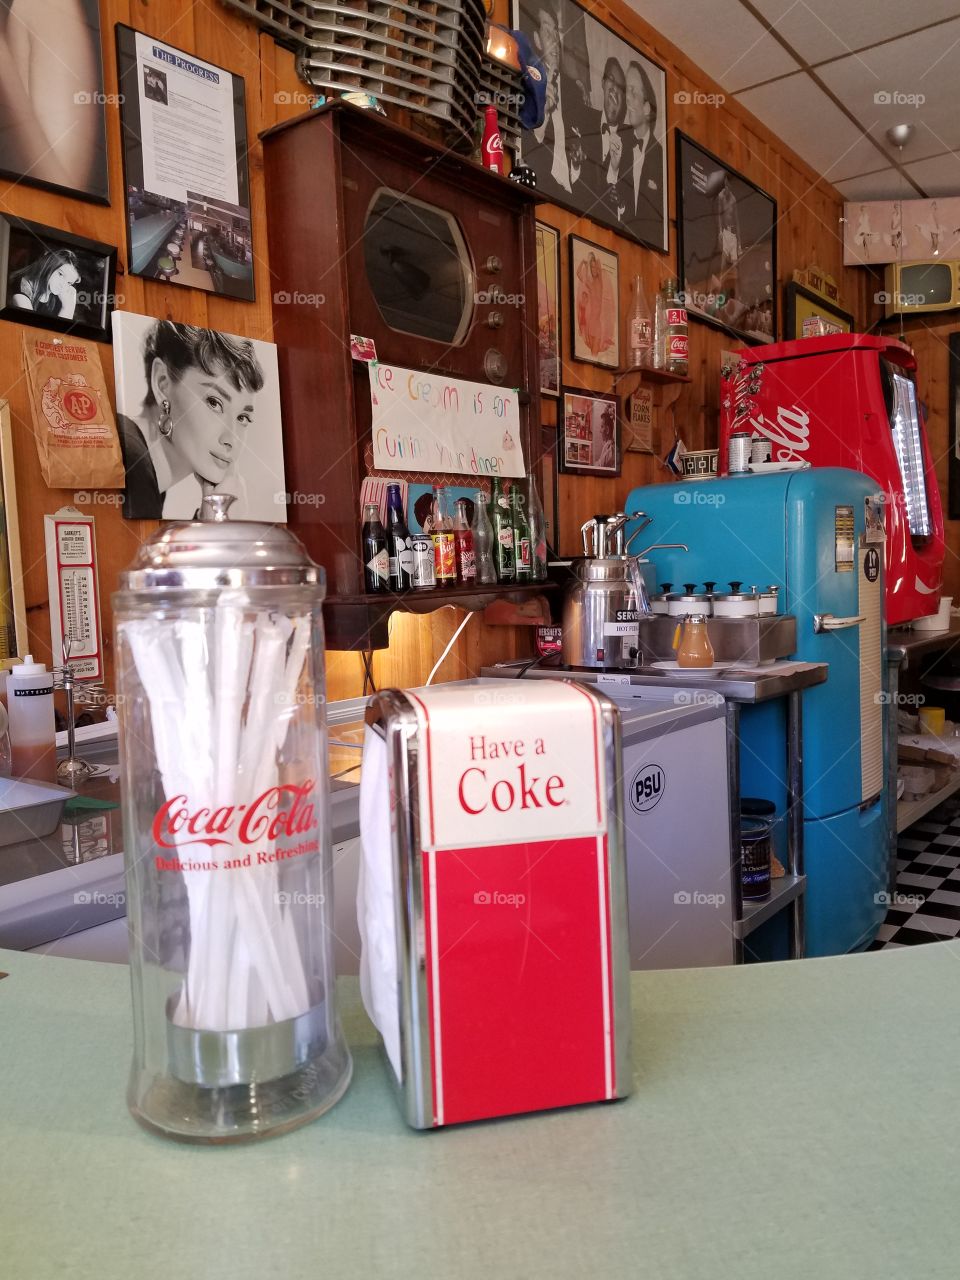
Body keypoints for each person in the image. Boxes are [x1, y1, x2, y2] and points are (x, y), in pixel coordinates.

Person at [118, 321, 264, 520]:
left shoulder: (147, 473)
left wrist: (209, 519)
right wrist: (221, 522)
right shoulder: (131, 464)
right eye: (214, 402)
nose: (231, 439)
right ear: (162, 383)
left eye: (242, 417)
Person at [618, 60, 664, 247]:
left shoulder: (661, 159)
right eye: (626, 91)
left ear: (647, 108)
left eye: (633, 92)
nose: (627, 98)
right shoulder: (617, 142)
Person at [581, 57, 627, 221]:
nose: (614, 88)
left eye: (620, 87)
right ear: (602, 83)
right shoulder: (582, 119)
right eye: (611, 80)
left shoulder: (632, 142)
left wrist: (621, 204)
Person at [10, 248, 81, 319]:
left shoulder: (59, 296)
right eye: (60, 274)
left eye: (69, 283)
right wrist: (67, 308)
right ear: (49, 266)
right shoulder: (21, 291)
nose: (63, 285)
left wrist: (69, 306)